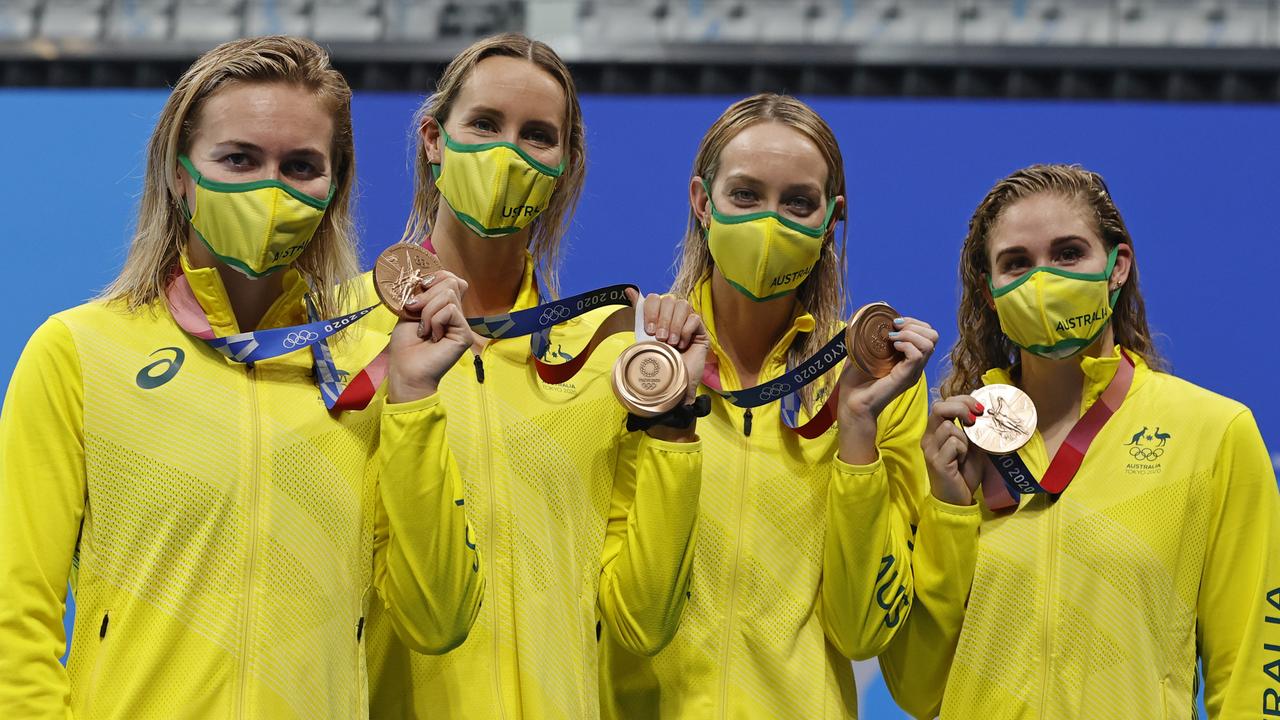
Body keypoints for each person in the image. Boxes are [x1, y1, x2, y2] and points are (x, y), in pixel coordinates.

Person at [0, 36, 481, 719]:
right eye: (239, 158)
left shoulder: (378, 364)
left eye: (301, 166)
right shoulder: (78, 352)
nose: (270, 188)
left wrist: (414, 404)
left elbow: (440, 619)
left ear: (334, 186)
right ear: (178, 173)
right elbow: (15, 616)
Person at [599, 93, 978, 718]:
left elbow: (861, 632)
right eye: (745, 195)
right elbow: (635, 623)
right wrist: (670, 415)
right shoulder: (635, 363)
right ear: (702, 201)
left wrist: (857, 429)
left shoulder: (878, 386)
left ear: (832, 220)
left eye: (797, 202)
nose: (770, 223)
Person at [362, 33, 708, 719]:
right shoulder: (345, 338)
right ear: (434, 138)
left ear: (565, 166)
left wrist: (672, 421)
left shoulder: (606, 358)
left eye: (538, 136)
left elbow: (641, 622)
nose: (507, 153)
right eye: (485, 124)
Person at [892, 163, 1280, 719]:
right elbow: (917, 690)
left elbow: (1252, 673)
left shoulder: (1213, 432)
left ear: (1117, 268)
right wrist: (949, 511)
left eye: (1069, 253)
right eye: (1017, 263)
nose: (1043, 279)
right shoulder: (954, 446)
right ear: (992, 290)